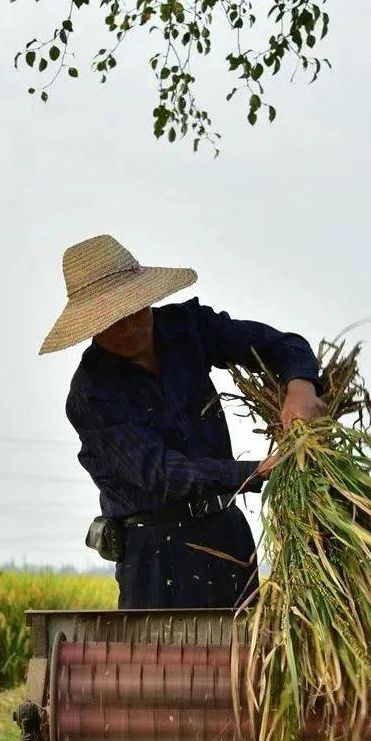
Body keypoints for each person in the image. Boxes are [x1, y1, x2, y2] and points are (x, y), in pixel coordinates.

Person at [39, 234, 324, 610]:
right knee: (168, 663)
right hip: (157, 552)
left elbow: (282, 345)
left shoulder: (186, 328)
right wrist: (257, 472)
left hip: (227, 534)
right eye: (112, 322)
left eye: (136, 311)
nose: (129, 329)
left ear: (148, 299)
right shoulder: (93, 394)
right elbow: (162, 474)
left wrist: (300, 388)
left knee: (244, 660)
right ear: (91, 326)